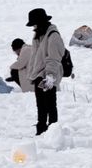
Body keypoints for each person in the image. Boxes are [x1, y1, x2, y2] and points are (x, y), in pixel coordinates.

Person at [26, 8, 65, 136]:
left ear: (41, 22)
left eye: (35, 24)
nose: (34, 27)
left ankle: (53, 132)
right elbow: (35, 56)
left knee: (50, 105)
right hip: (38, 75)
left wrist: (50, 76)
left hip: (48, 75)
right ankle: (41, 128)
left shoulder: (53, 36)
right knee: (41, 106)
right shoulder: (39, 35)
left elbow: (53, 58)